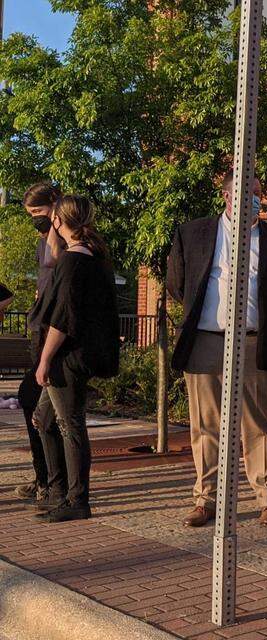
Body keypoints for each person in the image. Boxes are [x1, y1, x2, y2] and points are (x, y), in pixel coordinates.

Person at [166, 170, 267, 528]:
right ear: (226, 195)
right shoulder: (192, 234)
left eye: (257, 192)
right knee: (205, 425)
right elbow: (178, 285)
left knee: (259, 425)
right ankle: (205, 500)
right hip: (206, 340)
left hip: (256, 341)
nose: (253, 198)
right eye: (245, 191)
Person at [29, 195, 120, 522]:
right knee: (44, 419)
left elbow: (62, 319)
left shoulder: (74, 260)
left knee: (70, 425)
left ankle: (76, 499)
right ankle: (58, 492)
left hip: (67, 356)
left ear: (58, 221)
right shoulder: (93, 256)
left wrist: (44, 360)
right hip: (80, 353)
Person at [14, 182, 62, 507]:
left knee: (45, 407)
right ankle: (43, 477)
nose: (35, 219)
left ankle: (52, 482)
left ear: (55, 204)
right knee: (33, 402)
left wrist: (56, 224)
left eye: (38, 212)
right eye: (30, 214)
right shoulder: (43, 240)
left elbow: (55, 264)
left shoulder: (67, 239)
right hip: (39, 328)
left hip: (55, 332)